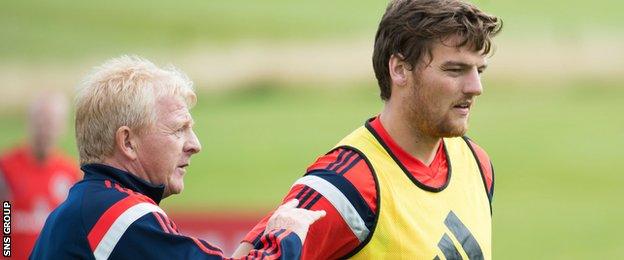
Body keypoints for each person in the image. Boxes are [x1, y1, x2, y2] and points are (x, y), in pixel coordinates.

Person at [235, 0, 502, 259]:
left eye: (479, 70)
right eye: (455, 70)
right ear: (399, 70)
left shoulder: (476, 164)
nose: (475, 87)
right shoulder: (345, 187)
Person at [30, 56, 325, 259]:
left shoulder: (83, 208)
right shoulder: (122, 217)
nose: (195, 145)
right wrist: (286, 235)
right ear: (128, 142)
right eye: (178, 129)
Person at [0, 92, 81, 260]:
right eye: (40, 121)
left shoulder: (70, 172)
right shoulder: (6, 168)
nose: (44, 129)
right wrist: (6, 254)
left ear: (62, 127)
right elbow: (5, 218)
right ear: (29, 123)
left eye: (51, 123)